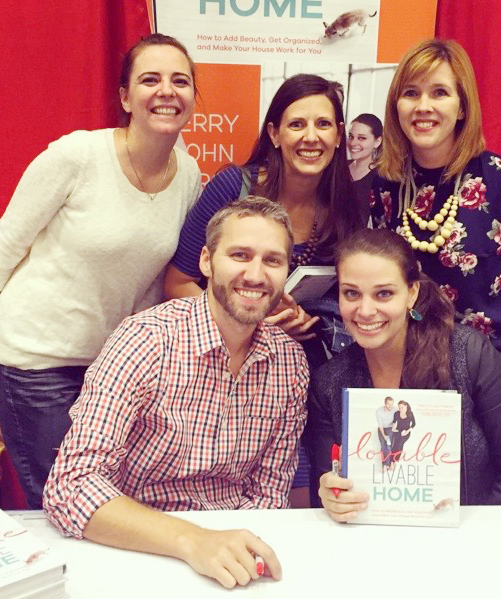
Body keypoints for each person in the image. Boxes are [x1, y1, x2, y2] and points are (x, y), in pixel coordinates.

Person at [0, 34, 202, 508]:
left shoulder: (189, 174)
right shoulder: (76, 156)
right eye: (150, 80)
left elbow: (164, 280)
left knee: (109, 504)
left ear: (193, 98)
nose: (166, 91)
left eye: (180, 81)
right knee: (67, 503)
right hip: (36, 359)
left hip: (111, 370)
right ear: (125, 97)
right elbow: (3, 245)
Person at [43, 197, 310, 589]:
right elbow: (71, 487)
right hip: (139, 548)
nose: (255, 274)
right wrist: (193, 541)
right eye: (240, 254)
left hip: (232, 557)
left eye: (273, 260)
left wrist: (232, 555)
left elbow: (269, 494)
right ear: (206, 261)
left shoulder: (289, 363)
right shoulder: (145, 340)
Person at [370, 39, 501, 447]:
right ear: (396, 106)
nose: (423, 106)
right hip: (420, 375)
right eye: (411, 93)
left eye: (439, 93)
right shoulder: (387, 185)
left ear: (462, 107)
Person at [304, 229, 501, 520]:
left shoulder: (469, 355)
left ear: (412, 292)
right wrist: (332, 499)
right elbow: (327, 486)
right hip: (374, 544)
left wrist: (473, 540)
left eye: (384, 293)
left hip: (475, 545)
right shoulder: (328, 383)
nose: (365, 310)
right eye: (351, 293)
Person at [164, 73, 367, 353]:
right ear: (274, 134)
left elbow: (350, 298)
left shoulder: (346, 207)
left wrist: (310, 322)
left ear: (338, 136)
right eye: (296, 125)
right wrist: (250, 325)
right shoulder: (233, 187)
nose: (311, 137)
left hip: (301, 362)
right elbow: (177, 283)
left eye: (323, 124)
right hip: (219, 350)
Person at [389, 400, 416, 465]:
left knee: (400, 444)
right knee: (395, 445)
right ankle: (391, 462)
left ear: (406, 406)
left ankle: (395, 461)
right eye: (399, 408)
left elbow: (413, 424)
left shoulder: (410, 413)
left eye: (402, 407)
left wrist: (407, 431)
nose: (401, 409)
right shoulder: (396, 413)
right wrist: (393, 429)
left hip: (406, 432)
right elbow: (394, 423)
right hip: (398, 431)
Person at [375, 396, 395, 469]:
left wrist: (394, 428)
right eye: (389, 404)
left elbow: (398, 419)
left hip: (390, 428)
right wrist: (384, 435)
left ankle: (389, 464)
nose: (390, 406)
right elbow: (380, 425)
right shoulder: (379, 411)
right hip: (382, 428)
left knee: (389, 446)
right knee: (383, 446)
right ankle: (384, 465)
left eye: (392, 404)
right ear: (385, 404)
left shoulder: (395, 409)